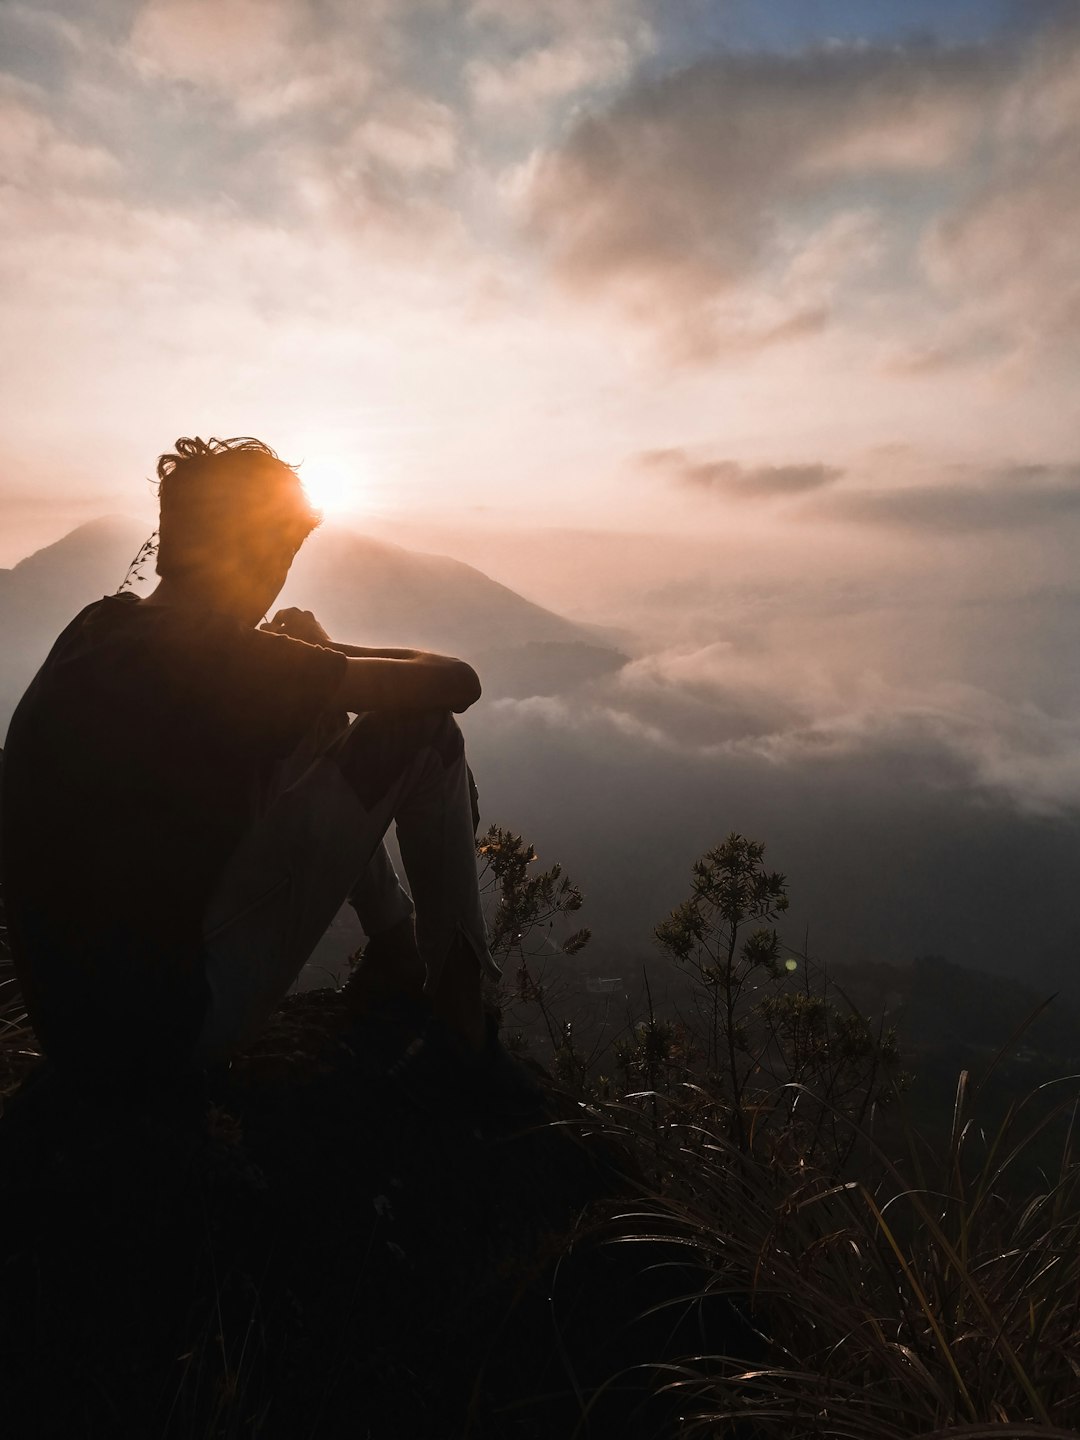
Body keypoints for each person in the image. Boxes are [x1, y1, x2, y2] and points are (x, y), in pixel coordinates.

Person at [0, 436, 501, 1090]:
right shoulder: (235, 661)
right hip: (172, 1032)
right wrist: (323, 651)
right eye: (285, 548)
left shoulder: (96, 627)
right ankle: (461, 1014)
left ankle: (397, 953)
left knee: (315, 717)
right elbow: (458, 683)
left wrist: (305, 663)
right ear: (258, 549)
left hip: (72, 1030)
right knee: (426, 733)